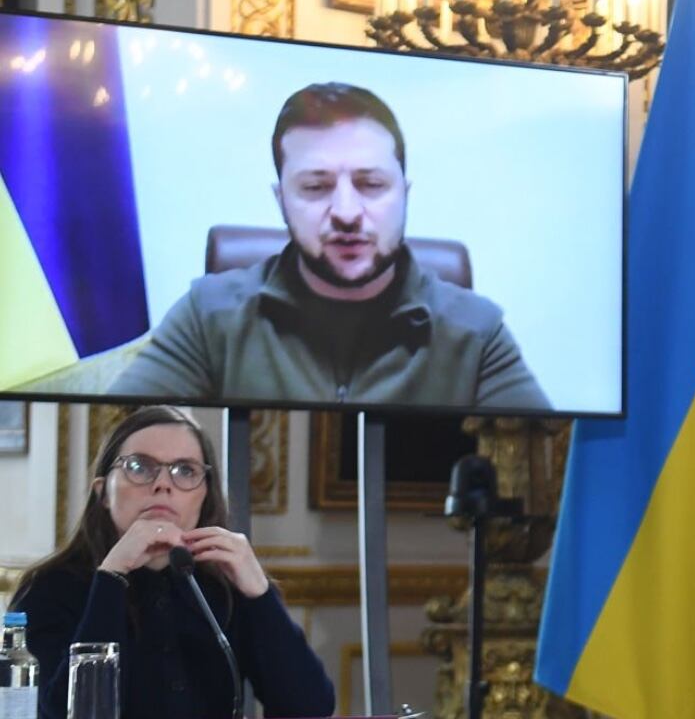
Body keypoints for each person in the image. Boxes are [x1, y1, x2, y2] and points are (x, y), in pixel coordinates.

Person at [109, 82, 550, 410]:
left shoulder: (477, 331)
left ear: (405, 194)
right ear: (281, 201)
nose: (346, 212)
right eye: (316, 187)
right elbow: (122, 424)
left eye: (371, 184)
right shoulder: (209, 315)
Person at [11, 406, 335, 719]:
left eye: (185, 470)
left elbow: (309, 707)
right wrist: (111, 577)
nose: (163, 484)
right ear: (103, 492)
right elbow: (55, 711)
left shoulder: (224, 583)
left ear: (205, 494)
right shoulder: (49, 587)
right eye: (139, 467)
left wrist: (260, 594)